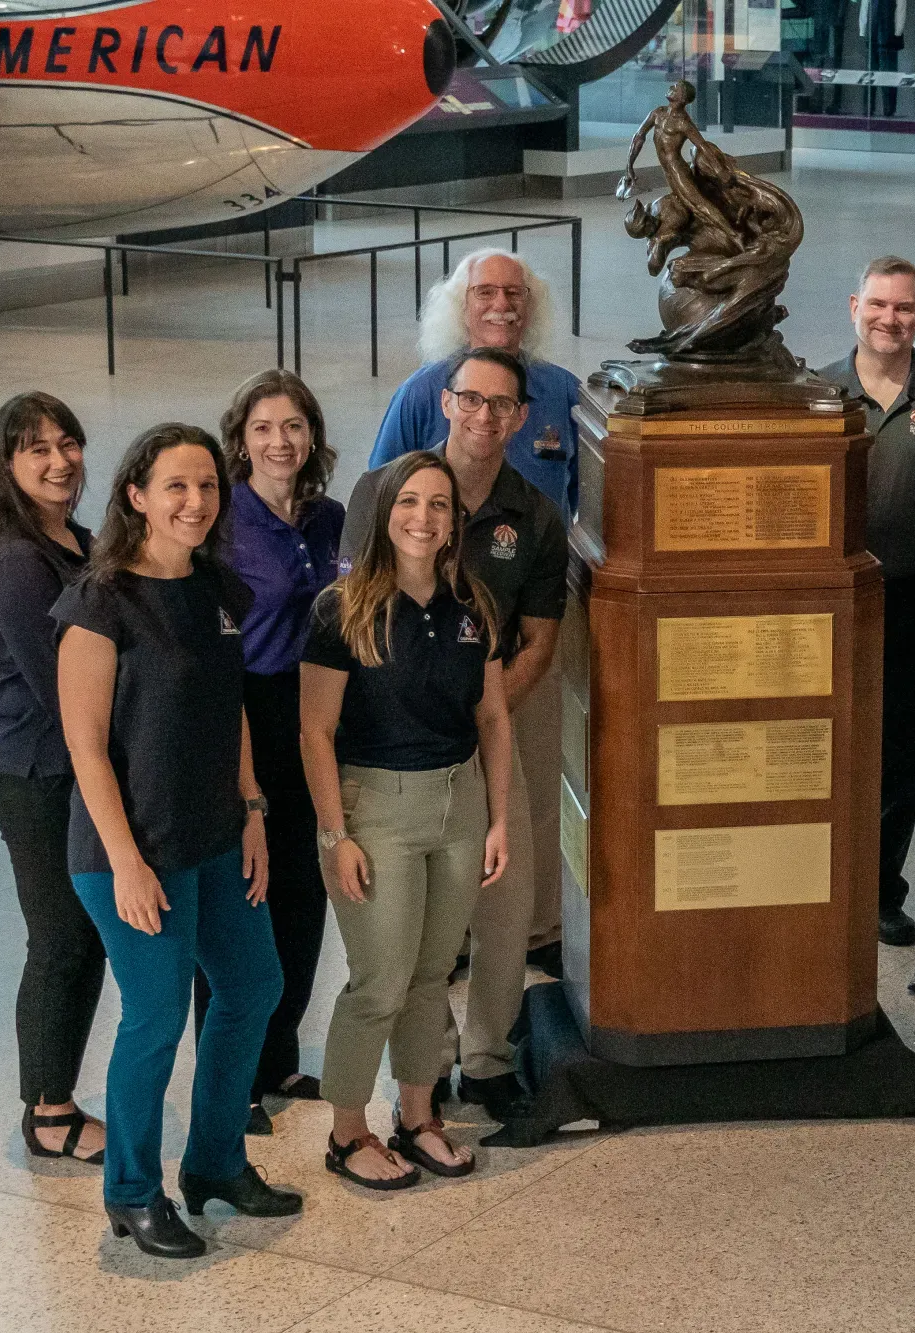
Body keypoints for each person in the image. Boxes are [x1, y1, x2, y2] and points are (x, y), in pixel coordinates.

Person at [55, 424, 301, 1259]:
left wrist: (254, 808)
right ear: (136, 496)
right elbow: (86, 745)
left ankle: (215, 1162)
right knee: (157, 1014)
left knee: (252, 986)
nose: (195, 503)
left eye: (206, 487)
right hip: (132, 851)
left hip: (217, 838)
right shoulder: (100, 600)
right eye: (175, 487)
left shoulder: (218, 589)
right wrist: (125, 860)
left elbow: (229, 709)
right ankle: (130, 1190)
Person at [344, 347, 569, 1125]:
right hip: (392, 749)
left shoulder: (535, 515)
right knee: (412, 926)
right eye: (470, 399)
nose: (483, 416)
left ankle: (489, 1060)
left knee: (505, 911)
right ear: (444, 403)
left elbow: (539, 639)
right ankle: (425, 1066)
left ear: (520, 418)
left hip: (486, 737)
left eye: (501, 406)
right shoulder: (382, 492)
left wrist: (480, 711)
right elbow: (351, 616)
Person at [303, 451, 513, 1192]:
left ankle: (419, 1116)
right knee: (381, 979)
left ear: (456, 521)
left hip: (459, 803)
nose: (424, 518)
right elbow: (316, 732)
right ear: (384, 512)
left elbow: (491, 715)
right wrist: (336, 835)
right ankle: (348, 1129)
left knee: (431, 973)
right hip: (377, 808)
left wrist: (498, 820)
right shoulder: (342, 607)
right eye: (409, 503)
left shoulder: (472, 606)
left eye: (439, 505)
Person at [201, 369, 345, 1135]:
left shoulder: (330, 519)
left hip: (315, 714)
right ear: (241, 439)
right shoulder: (224, 522)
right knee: (244, 895)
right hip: (247, 711)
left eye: (293, 426)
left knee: (302, 891)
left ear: (312, 436)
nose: (279, 441)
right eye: (263, 428)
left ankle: (280, 1050)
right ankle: (235, 1078)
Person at [0, 392, 107, 1166]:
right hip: (34, 775)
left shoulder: (79, 542)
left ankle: (59, 1093)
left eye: (69, 442)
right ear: (9, 466)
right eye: (37, 450)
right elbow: (62, 686)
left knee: (82, 937)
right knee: (59, 939)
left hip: (72, 768)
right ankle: (47, 1112)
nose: (60, 461)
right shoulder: (18, 561)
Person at [820, 256, 915, 947]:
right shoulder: (815, 393)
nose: (890, 319)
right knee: (829, 750)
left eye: (904, 308)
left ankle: (881, 889)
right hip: (833, 608)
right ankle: (823, 884)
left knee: (904, 759)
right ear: (854, 304)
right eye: (878, 304)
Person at [367, 247, 578, 525]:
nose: (502, 304)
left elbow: (580, 494)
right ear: (461, 308)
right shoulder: (419, 393)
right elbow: (379, 493)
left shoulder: (564, 392)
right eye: (485, 292)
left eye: (514, 292)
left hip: (538, 562)